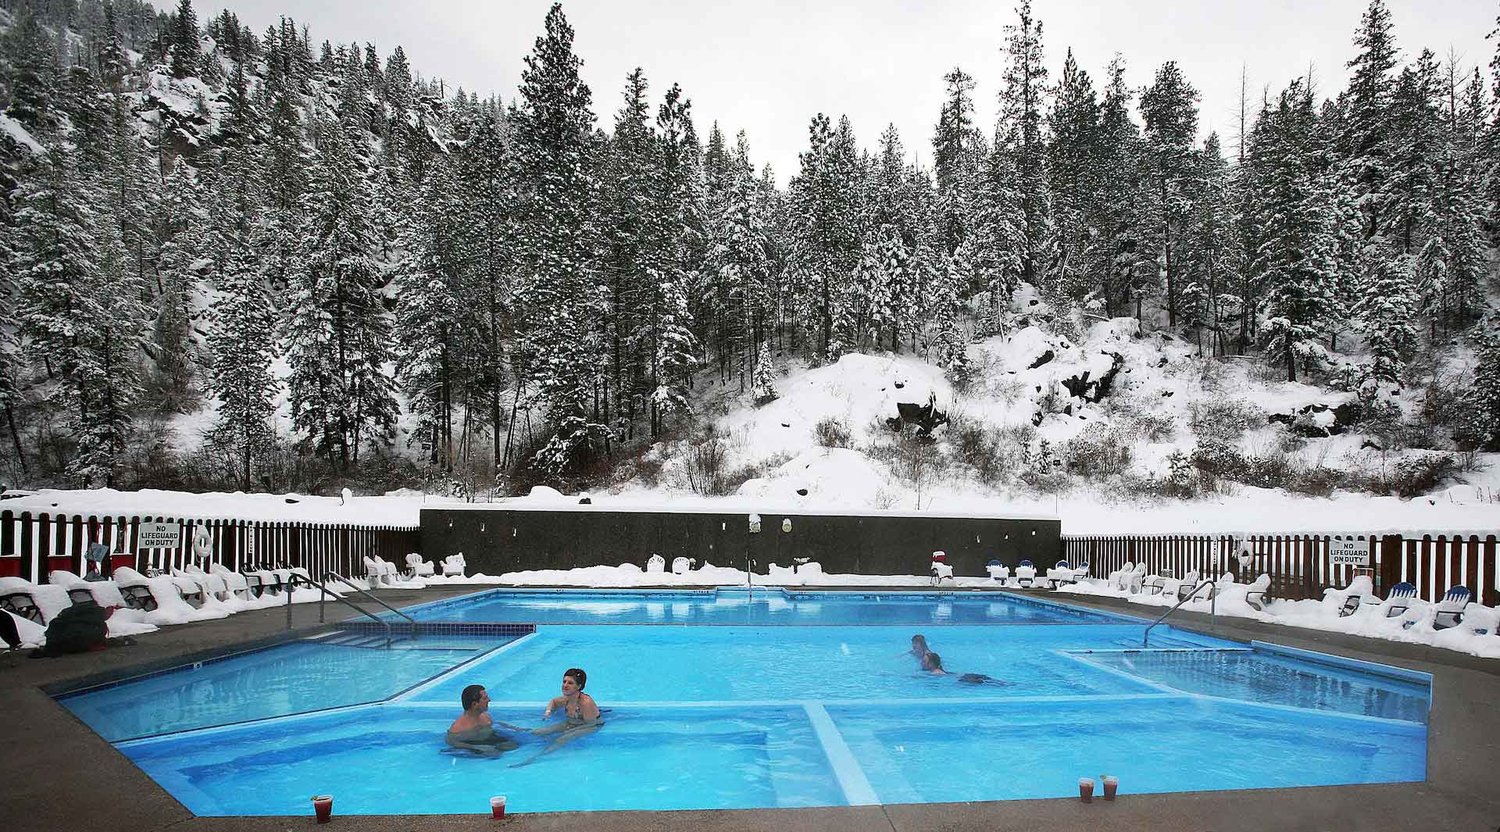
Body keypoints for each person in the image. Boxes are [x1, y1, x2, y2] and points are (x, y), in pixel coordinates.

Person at [510, 667, 603, 767]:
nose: (565, 685)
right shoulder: (567, 698)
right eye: (564, 681)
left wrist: (570, 731)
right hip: (572, 723)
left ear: (579, 686)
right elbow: (553, 702)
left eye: (570, 683)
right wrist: (548, 712)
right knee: (538, 732)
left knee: (562, 739)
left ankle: (535, 758)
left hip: (591, 725)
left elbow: (591, 724)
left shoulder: (585, 703)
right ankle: (522, 732)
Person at [445, 684, 519, 756]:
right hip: (474, 744)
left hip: (489, 739)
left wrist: (516, 728)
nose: (489, 700)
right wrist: (475, 747)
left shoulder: (485, 716)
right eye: (485, 698)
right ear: (474, 704)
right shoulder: (458, 727)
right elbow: (451, 741)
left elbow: (496, 724)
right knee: (494, 754)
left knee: (513, 745)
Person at [919, 651, 1011, 686]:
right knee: (995, 682)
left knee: (991, 684)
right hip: (966, 676)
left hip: (965, 679)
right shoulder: (942, 671)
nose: (921, 663)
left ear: (931, 663)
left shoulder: (934, 674)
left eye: (924, 661)